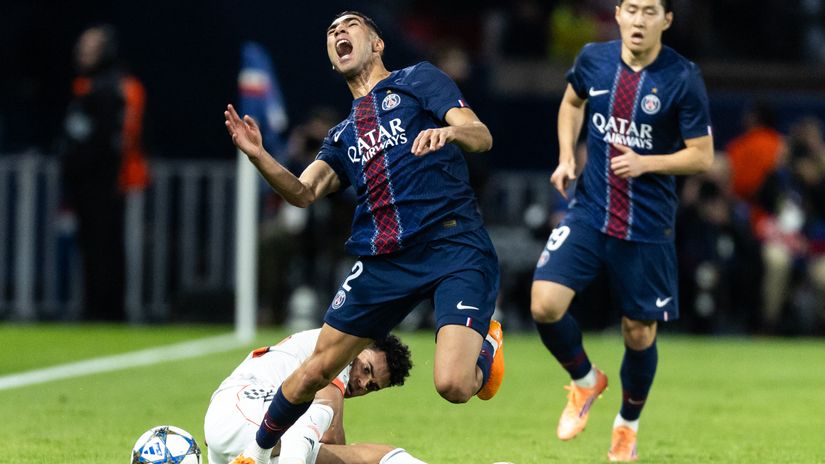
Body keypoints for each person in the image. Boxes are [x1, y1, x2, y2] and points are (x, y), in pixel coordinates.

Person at [223, 11, 505, 464]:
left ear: (377, 44)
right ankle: (254, 455)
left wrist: (452, 130)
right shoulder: (343, 133)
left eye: (350, 25)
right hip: (383, 261)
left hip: (453, 243)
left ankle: (486, 344)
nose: (338, 31)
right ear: (334, 62)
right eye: (331, 30)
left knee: (453, 385)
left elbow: (481, 134)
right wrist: (259, 155)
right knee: (312, 372)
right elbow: (303, 192)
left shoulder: (419, 80)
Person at [529, 0, 713, 461]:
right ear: (617, 14)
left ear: (666, 21)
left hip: (647, 225)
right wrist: (567, 155)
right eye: (631, 8)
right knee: (544, 305)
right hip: (590, 211)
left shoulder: (682, 77)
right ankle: (586, 381)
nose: (638, 19)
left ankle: (627, 426)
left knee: (638, 334)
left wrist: (647, 162)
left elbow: (702, 155)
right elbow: (571, 101)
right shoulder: (594, 58)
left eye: (650, 11)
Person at [204, 328, 422, 463]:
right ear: (360, 347)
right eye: (366, 369)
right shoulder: (339, 346)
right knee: (322, 411)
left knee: (375, 456)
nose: (363, 384)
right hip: (240, 415)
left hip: (234, 433)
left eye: (372, 387)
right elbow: (331, 434)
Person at [59, 24, 149, 321]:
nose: (80, 53)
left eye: (89, 47)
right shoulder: (89, 85)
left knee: (106, 248)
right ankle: (96, 308)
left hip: (106, 182)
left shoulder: (110, 88)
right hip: (88, 183)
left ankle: (106, 311)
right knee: (92, 247)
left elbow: (110, 140)